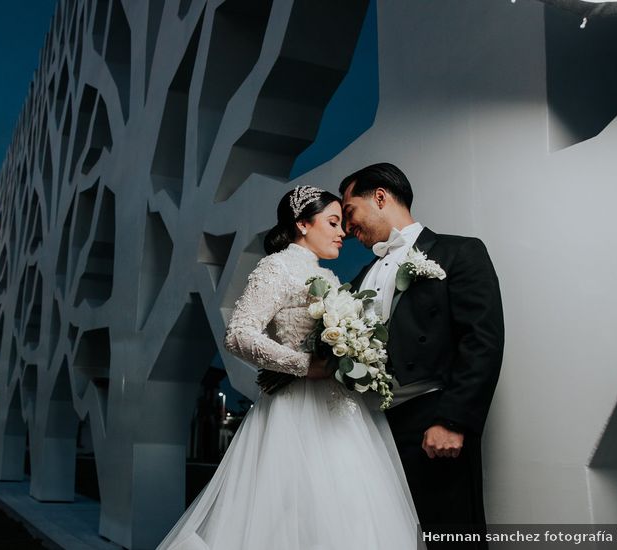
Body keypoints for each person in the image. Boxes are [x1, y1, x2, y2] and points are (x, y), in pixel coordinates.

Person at [157, 186, 422, 550]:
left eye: (343, 223)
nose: (342, 232)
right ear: (302, 223)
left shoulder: (326, 277)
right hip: (295, 412)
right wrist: (304, 365)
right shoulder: (277, 266)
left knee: (349, 512)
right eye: (332, 222)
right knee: (290, 515)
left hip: (341, 411)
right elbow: (238, 334)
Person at [340, 163, 504, 549]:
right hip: (370, 430)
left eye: (349, 213)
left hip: (431, 422)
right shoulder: (361, 275)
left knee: (448, 536)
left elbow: (482, 340)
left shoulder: (459, 251)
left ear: (380, 197)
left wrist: (453, 420)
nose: (348, 230)